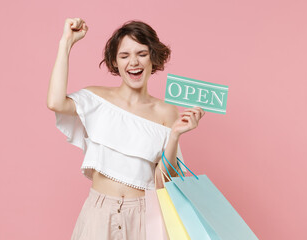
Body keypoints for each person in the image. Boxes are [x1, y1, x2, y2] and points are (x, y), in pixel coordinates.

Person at [47, 18, 205, 240]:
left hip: (146, 215)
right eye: (124, 56)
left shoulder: (166, 112)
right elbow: (55, 102)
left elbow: (163, 181)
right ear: (115, 62)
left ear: (153, 57)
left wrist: (175, 134)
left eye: (142, 53)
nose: (134, 62)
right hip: (99, 212)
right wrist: (66, 43)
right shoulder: (97, 99)